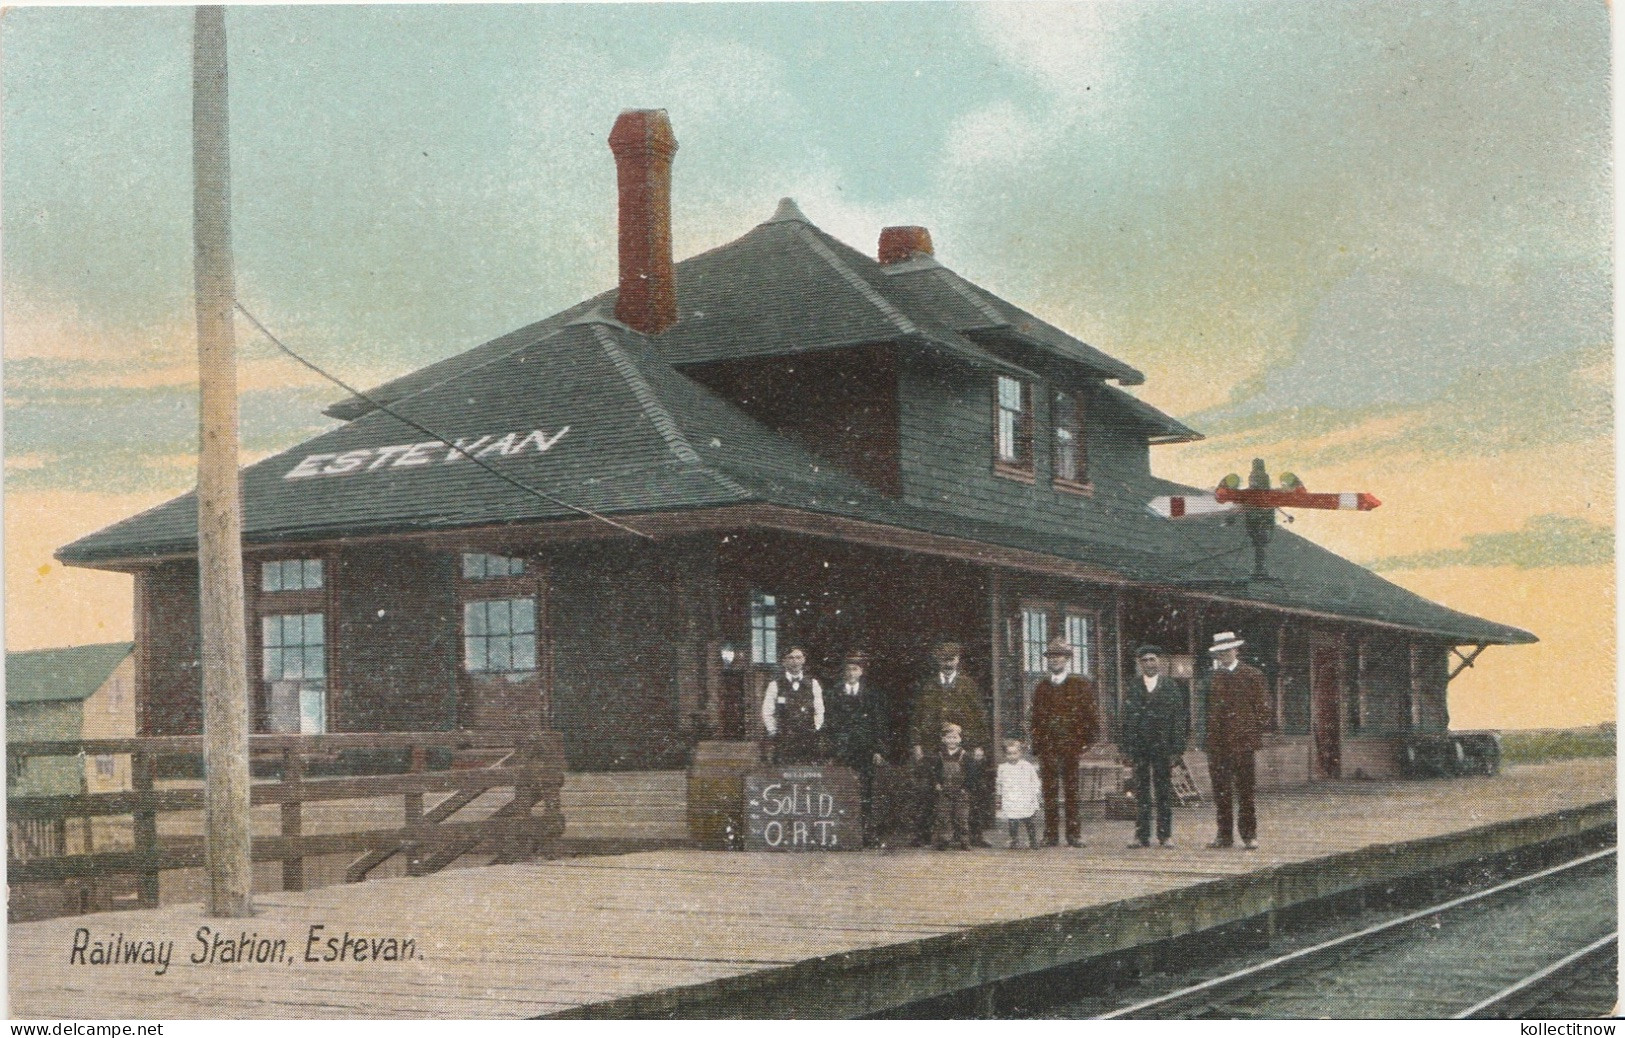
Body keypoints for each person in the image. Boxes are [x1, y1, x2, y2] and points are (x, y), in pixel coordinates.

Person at [910, 642, 991, 846]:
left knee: (968, 789)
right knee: (927, 788)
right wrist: (917, 744)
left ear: (958, 660)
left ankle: (974, 835)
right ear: (938, 660)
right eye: (944, 659)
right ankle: (923, 834)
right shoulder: (929, 686)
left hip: (962, 746)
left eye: (952, 658)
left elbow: (981, 717)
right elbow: (917, 717)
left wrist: (979, 745)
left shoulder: (968, 685)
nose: (948, 663)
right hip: (932, 745)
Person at [1203, 631, 1272, 850]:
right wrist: (1206, 739)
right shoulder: (1211, 678)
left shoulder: (1252, 675)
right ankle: (1224, 836)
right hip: (1217, 745)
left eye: (1228, 650)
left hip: (1243, 744)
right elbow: (1203, 711)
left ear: (1236, 650)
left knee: (1245, 791)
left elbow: (1263, 710)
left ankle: (1249, 835)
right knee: (1221, 791)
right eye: (1220, 652)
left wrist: (1250, 732)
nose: (1224, 654)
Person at [1029, 638, 1100, 847]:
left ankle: (1073, 834)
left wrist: (1086, 741)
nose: (1054, 661)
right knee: (1049, 791)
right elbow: (1035, 717)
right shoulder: (1041, 687)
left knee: (1071, 790)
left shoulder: (1079, 685)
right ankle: (1050, 834)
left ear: (1068, 659)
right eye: (1050, 657)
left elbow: (1090, 714)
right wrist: (1037, 743)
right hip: (1048, 746)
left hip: (1071, 745)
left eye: (1059, 656)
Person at [1119, 644, 1189, 849]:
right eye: (1145, 660)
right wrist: (1125, 748)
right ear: (1140, 664)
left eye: (1152, 659)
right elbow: (1125, 719)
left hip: (1163, 747)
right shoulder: (1133, 687)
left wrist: (1177, 749)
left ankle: (1165, 835)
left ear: (1159, 662)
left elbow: (1179, 719)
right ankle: (1141, 835)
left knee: (1163, 791)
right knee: (1141, 791)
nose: (1149, 663)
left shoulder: (1171, 687)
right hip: (1139, 746)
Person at [823, 649, 887, 844]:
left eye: (855, 669)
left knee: (865, 790)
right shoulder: (833, 693)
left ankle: (866, 834)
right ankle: (843, 834)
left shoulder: (871, 695)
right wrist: (831, 751)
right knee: (841, 789)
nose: (851, 673)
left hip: (865, 749)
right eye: (848, 669)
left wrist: (879, 750)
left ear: (861, 672)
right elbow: (828, 723)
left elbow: (879, 723)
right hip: (842, 749)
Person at [760, 646, 824, 765]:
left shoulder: (813, 684)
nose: (795, 661)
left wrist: (816, 728)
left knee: (809, 773)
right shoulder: (775, 685)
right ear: (784, 662)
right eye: (791, 658)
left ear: (804, 660)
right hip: (784, 738)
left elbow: (819, 710)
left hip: (807, 737)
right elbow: (767, 712)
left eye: (798, 658)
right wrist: (774, 731)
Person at [930, 723, 981, 850]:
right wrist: (937, 783)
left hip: (961, 792)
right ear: (943, 739)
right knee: (944, 816)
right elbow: (935, 772)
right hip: (945, 791)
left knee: (962, 816)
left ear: (960, 739)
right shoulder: (940, 755)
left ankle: (964, 840)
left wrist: (965, 787)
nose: (951, 740)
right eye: (949, 737)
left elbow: (971, 774)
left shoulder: (965, 755)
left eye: (954, 737)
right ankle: (945, 840)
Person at [996, 738, 1042, 850]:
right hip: (1010, 798)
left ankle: (1033, 841)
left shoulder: (1026, 766)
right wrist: (999, 795)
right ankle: (1014, 840)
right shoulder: (1002, 768)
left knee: (1029, 820)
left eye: (1015, 753)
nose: (1012, 756)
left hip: (1025, 797)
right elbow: (999, 783)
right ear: (1005, 754)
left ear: (1020, 753)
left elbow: (1035, 781)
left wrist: (1036, 795)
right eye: (1009, 754)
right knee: (1013, 820)